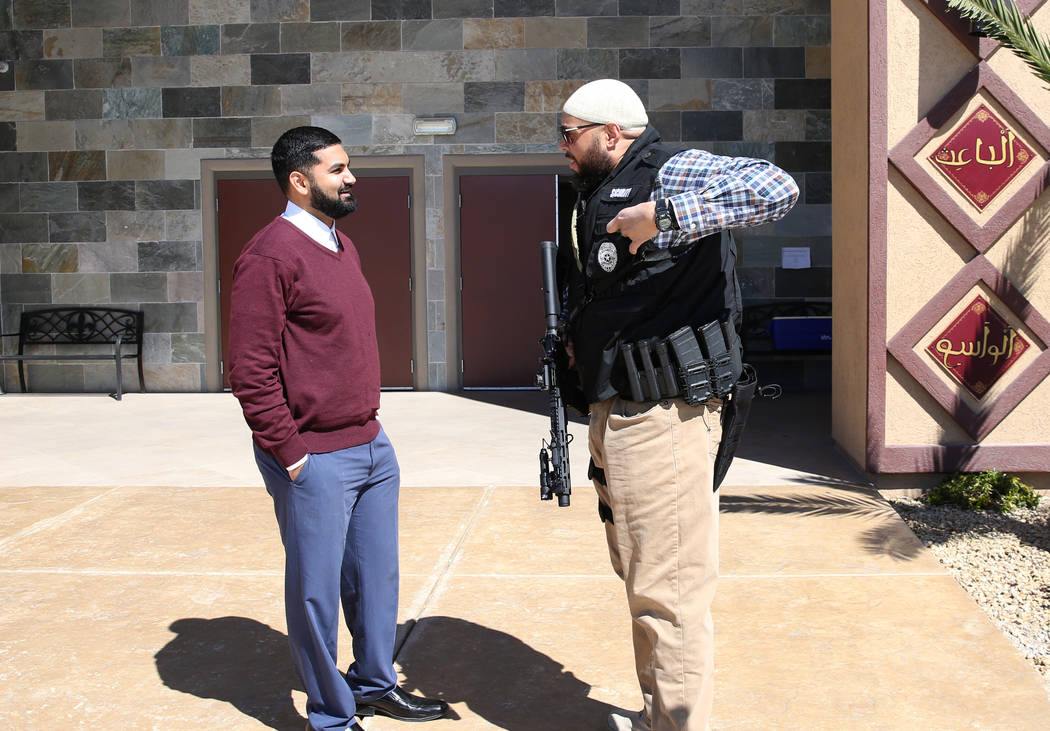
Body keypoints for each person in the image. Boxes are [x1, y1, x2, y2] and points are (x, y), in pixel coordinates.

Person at [555, 80, 799, 731]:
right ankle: (658, 712)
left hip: (665, 416)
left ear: (611, 133)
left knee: (669, 592)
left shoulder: (672, 169)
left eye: (569, 132)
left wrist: (664, 216)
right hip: (620, 411)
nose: (563, 146)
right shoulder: (593, 193)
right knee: (641, 577)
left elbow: (776, 188)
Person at [228, 126, 449, 731]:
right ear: (300, 182)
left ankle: (375, 684)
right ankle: (331, 715)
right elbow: (249, 369)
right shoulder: (270, 254)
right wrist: (293, 455)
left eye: (349, 167)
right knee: (316, 595)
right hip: (314, 456)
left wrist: (373, 435)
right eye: (337, 170)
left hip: (370, 443)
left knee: (376, 579)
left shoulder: (339, 245)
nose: (351, 178)